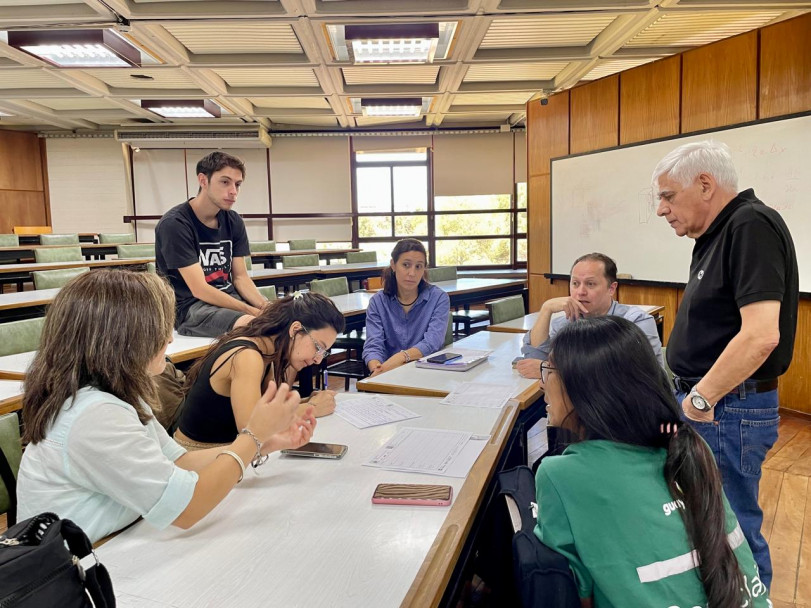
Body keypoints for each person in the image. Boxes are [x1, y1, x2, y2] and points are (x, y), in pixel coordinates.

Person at [16, 270, 316, 543]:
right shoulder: (94, 414)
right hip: (74, 572)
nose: (170, 338)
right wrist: (252, 436)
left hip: (111, 547)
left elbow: (179, 462)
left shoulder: (115, 395)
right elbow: (186, 509)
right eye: (160, 328)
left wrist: (264, 441)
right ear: (125, 339)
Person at [536, 316, 770, 608]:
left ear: (585, 387)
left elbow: (574, 597)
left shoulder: (561, 475)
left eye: (548, 371)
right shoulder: (692, 448)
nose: (542, 383)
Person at [653, 140, 798, 589]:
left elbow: (761, 334)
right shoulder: (714, 235)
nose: (661, 210)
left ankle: (754, 600)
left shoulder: (749, 224)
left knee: (731, 529)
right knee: (709, 524)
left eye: (668, 196)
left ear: (705, 184)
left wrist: (699, 399)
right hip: (717, 406)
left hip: (725, 409)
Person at [176, 292, 345, 449]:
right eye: (318, 347)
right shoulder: (248, 356)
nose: (318, 359)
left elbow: (265, 411)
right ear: (295, 329)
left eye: (324, 353)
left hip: (226, 453)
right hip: (199, 458)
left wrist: (304, 402)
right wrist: (312, 408)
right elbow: (251, 430)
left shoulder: (268, 351)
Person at [156, 151, 268, 338]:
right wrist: (250, 311)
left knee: (282, 320)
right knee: (255, 326)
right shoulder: (175, 224)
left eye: (238, 184)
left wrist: (266, 307)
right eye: (225, 182)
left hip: (227, 299)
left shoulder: (233, 221)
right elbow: (199, 289)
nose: (233, 191)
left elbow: (240, 278)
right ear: (203, 180)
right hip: (190, 308)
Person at [516, 252, 663, 378]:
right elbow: (534, 362)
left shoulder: (637, 321)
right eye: (575, 283)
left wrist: (552, 370)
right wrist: (546, 309)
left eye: (590, 284)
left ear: (611, 288)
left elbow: (630, 377)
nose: (580, 292)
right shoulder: (565, 323)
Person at [363, 239, 450, 377]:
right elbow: (373, 344)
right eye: (406, 265)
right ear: (393, 265)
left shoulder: (439, 298)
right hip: (387, 373)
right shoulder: (378, 302)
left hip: (427, 373)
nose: (412, 273)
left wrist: (401, 357)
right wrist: (376, 369)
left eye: (418, 266)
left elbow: (433, 342)